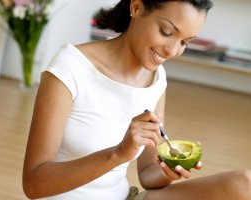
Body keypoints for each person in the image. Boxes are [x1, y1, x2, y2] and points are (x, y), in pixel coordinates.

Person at [22, 0, 251, 199]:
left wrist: (166, 172)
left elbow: (147, 172)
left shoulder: (157, 78)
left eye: (184, 42)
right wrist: (119, 153)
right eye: (167, 32)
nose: (172, 51)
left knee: (244, 185)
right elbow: (33, 184)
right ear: (137, 7)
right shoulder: (70, 67)